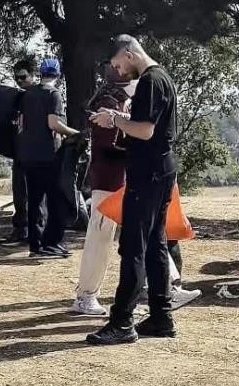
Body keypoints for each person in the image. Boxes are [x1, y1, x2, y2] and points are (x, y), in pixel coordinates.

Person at [71, 64, 199, 317]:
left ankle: (169, 287)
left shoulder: (124, 103)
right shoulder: (108, 103)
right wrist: (135, 136)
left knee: (149, 233)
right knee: (101, 236)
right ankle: (86, 295)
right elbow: (110, 143)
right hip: (109, 179)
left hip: (129, 177)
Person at [87, 35, 178, 344]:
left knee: (134, 247)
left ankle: (122, 321)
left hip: (148, 172)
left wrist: (114, 119)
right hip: (160, 169)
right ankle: (162, 317)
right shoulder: (162, 77)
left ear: (129, 53)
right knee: (155, 244)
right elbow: (145, 121)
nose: (117, 71)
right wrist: (117, 118)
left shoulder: (150, 81)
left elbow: (145, 130)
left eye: (117, 65)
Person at [17, 58, 79, 258]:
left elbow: (21, 123)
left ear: (41, 73)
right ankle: (52, 243)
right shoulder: (54, 94)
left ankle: (35, 245)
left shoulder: (28, 94)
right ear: (58, 75)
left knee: (35, 201)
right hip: (49, 155)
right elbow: (53, 123)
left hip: (28, 155)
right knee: (55, 199)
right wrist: (75, 134)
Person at [2, 57, 40, 246]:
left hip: (36, 154)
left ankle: (35, 231)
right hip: (19, 152)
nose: (19, 81)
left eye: (23, 77)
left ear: (33, 76)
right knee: (19, 193)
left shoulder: (42, 96)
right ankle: (20, 229)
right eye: (16, 78)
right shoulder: (18, 98)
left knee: (35, 195)